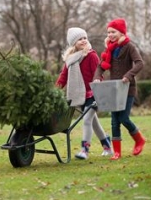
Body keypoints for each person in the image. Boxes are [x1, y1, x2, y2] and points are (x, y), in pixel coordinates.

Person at [93, 18, 146, 160]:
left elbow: (140, 63)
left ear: (121, 32)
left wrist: (128, 75)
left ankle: (139, 140)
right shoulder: (109, 49)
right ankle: (117, 152)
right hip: (113, 89)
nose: (110, 35)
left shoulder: (129, 47)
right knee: (114, 121)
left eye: (113, 32)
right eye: (108, 32)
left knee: (123, 117)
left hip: (128, 88)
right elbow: (100, 66)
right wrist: (98, 77)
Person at [55, 27, 112, 159]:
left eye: (85, 38)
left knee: (86, 120)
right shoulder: (70, 59)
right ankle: (107, 146)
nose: (83, 40)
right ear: (73, 42)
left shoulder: (91, 55)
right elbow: (63, 77)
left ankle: (84, 150)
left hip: (93, 94)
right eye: (80, 39)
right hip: (79, 95)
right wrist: (56, 90)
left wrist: (98, 85)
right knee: (94, 123)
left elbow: (98, 73)